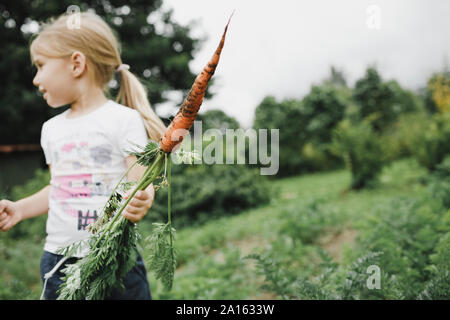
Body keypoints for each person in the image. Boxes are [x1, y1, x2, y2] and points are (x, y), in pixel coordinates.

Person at [0, 11, 167, 300]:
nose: (36, 79)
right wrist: (20, 208)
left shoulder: (123, 120)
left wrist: (144, 197)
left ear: (76, 64)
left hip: (116, 257)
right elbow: (59, 188)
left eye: (40, 66)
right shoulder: (51, 129)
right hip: (59, 259)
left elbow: (140, 182)